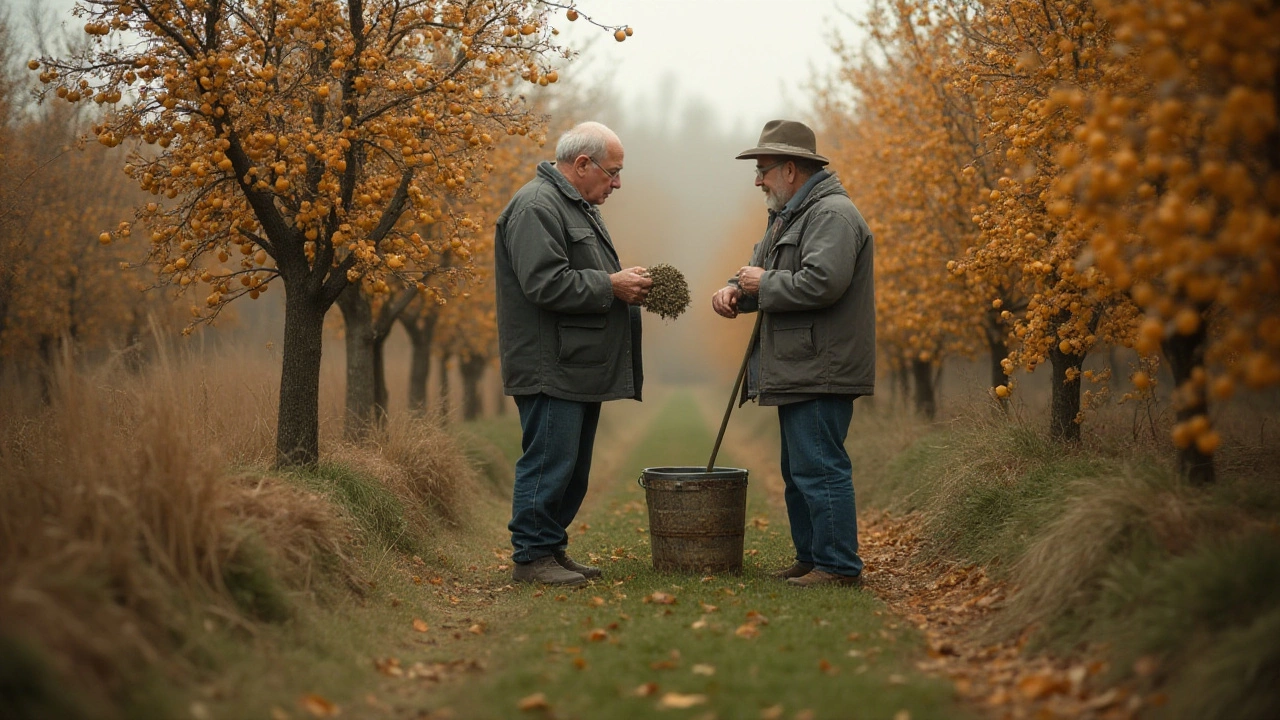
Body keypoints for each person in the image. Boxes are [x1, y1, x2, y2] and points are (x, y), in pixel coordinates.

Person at [711, 119, 876, 588]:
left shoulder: (832, 215)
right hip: (801, 364)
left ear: (790, 169)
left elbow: (823, 283)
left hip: (821, 366)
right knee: (799, 469)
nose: (757, 180)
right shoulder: (789, 216)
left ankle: (838, 566)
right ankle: (812, 557)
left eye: (762, 170)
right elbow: (758, 271)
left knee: (820, 467)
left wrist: (762, 285)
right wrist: (733, 293)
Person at [494, 121, 652, 586]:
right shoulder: (537, 206)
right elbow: (544, 283)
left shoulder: (575, 206)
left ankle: (550, 548)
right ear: (582, 164)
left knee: (572, 467)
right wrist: (611, 284)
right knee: (549, 461)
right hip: (550, 364)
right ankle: (531, 556)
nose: (617, 183)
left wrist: (619, 280)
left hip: (576, 363)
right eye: (613, 172)